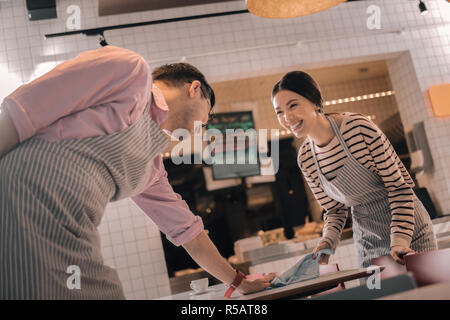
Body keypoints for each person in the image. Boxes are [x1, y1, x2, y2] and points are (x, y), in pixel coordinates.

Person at [0, 45, 275, 299]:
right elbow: (24, 109)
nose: (202, 127)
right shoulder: (129, 70)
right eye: (207, 115)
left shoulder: (150, 168)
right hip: (26, 198)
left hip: (71, 229)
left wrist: (239, 282)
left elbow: (188, 232)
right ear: (194, 89)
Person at [271, 71, 437, 269]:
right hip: (369, 241)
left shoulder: (359, 128)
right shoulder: (306, 158)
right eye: (279, 112)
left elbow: (398, 187)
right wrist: (327, 242)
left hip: (409, 231)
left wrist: (400, 240)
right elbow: (333, 209)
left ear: (315, 102)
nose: (287, 117)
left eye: (293, 105)